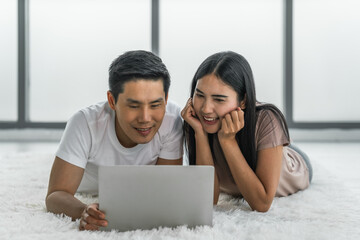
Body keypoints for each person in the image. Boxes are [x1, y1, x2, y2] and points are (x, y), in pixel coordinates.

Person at [46, 50, 183, 230]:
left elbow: (166, 189)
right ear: (112, 101)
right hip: (88, 189)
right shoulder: (84, 123)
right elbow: (55, 195)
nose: (145, 118)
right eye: (134, 105)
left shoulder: (173, 119)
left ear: (165, 99)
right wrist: (82, 210)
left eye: (155, 105)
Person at [181, 51, 312, 212]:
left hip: (292, 166)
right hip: (259, 148)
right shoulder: (195, 120)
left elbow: (262, 204)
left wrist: (228, 141)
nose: (206, 108)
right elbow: (208, 200)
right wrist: (200, 134)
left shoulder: (267, 119)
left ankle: (281, 145)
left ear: (243, 100)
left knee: (281, 147)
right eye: (200, 95)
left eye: (219, 99)